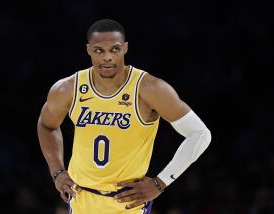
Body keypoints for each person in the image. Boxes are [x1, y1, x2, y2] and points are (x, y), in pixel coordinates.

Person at [37, 19, 212, 214]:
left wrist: (160, 182)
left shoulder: (149, 88)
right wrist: (57, 172)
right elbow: (47, 125)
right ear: (88, 50)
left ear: (125, 48)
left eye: (114, 49)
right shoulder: (68, 88)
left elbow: (200, 134)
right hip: (81, 200)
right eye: (98, 50)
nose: (107, 57)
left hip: (127, 204)